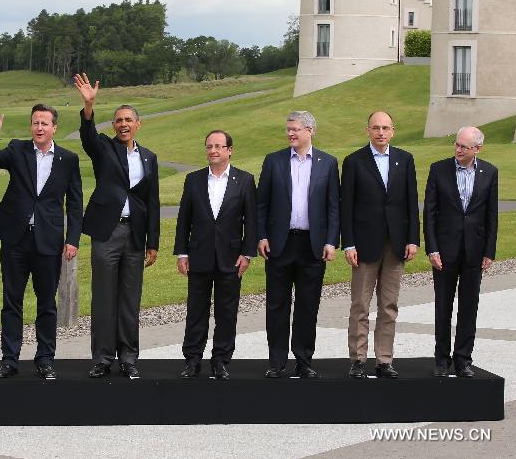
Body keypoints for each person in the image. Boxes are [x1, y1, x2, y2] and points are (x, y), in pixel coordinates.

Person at [0, 104, 82, 380]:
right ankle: (9, 360)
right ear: (31, 126)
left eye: (44, 123)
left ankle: (45, 359)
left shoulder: (68, 159)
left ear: (54, 128)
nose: (39, 128)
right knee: (11, 301)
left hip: (48, 242)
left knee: (47, 303)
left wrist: (72, 239)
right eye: (35, 123)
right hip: (15, 239)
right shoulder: (17, 149)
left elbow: (74, 204)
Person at [73, 73, 160, 379]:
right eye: (118, 120)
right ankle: (102, 358)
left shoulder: (149, 158)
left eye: (128, 119)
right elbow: (86, 136)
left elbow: (153, 201)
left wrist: (153, 243)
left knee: (129, 299)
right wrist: (88, 105)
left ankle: (129, 358)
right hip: (106, 233)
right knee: (104, 298)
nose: (123, 124)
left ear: (138, 124)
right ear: (113, 126)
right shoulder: (103, 149)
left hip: (135, 235)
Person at [257, 111, 339, 378]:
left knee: (308, 306)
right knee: (277, 305)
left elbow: (332, 207)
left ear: (310, 130)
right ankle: (277, 362)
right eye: (288, 129)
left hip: (312, 246)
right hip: (280, 244)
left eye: (295, 129)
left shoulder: (328, 163)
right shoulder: (274, 161)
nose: (290, 133)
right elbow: (262, 204)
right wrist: (262, 235)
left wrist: (331, 241)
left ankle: (304, 361)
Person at [341, 111, 418, 379]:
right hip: (364, 244)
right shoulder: (354, 162)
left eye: (385, 128)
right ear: (368, 130)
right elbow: (346, 207)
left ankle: (384, 359)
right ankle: (358, 360)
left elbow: (411, 203)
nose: (381, 133)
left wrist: (412, 239)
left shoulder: (405, 160)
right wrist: (348, 243)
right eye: (376, 128)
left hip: (396, 243)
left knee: (389, 305)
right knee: (360, 305)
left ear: (393, 131)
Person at [174, 130, 257, 380]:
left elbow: (251, 221)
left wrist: (247, 253)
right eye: (209, 146)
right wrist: (181, 252)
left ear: (229, 150)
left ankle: (221, 360)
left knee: (226, 311)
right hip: (198, 255)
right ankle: (192, 359)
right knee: (196, 310)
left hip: (231, 257)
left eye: (219, 146)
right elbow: (183, 220)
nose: (213, 151)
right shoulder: (194, 180)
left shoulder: (244, 180)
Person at [424, 126, 498, 378]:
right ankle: (442, 360)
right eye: (456, 144)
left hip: (475, 252)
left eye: (464, 147)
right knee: (443, 307)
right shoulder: (438, 169)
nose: (458, 150)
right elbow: (430, 214)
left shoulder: (490, 172)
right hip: (444, 252)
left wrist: (489, 250)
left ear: (477, 148)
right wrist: (432, 248)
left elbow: (491, 215)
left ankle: (463, 359)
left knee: (469, 306)